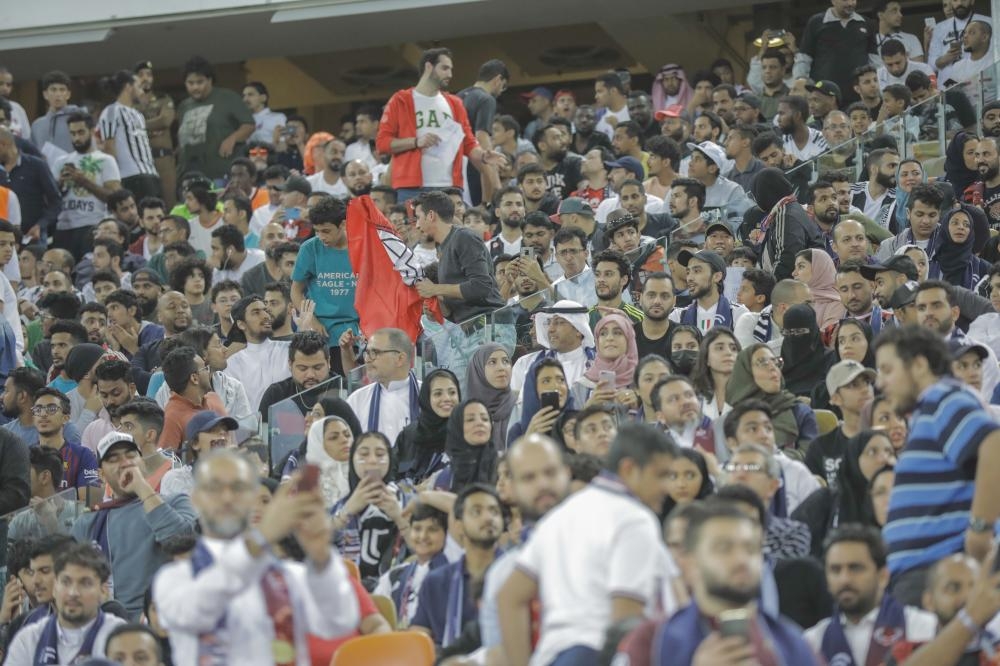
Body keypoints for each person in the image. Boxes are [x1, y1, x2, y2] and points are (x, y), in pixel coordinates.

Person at [153, 449, 360, 664]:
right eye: (214, 488)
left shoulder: (289, 575)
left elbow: (339, 622)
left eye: (238, 488)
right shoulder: (175, 578)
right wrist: (259, 539)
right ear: (195, 499)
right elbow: (198, 611)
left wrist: (321, 556)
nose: (227, 497)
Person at [499, 423, 681, 666]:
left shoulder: (562, 514)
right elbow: (626, 623)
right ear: (629, 469)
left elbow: (509, 597)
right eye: (661, 475)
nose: (667, 487)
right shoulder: (635, 519)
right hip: (600, 656)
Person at [875, 325, 1000, 606]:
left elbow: (994, 445)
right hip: (925, 575)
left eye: (887, 369)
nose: (880, 383)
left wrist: (980, 533)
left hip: (938, 574)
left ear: (919, 365)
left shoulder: (944, 397)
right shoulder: (930, 409)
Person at [637, 501, 819, 665]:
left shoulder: (791, 643)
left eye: (751, 548)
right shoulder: (652, 640)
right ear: (691, 564)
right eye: (724, 548)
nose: (742, 559)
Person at [72, 431, 197, 618]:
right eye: (113, 459)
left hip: (164, 618)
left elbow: (182, 543)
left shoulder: (176, 502)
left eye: (131, 455)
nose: (125, 463)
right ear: (101, 475)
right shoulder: (88, 522)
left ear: (143, 463)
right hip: (109, 625)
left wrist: (141, 487)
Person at [375, 47, 502, 200]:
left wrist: (483, 156)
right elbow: (382, 144)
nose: (450, 74)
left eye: (451, 69)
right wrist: (416, 142)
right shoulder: (400, 100)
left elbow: (468, 143)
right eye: (444, 68)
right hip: (411, 188)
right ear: (428, 67)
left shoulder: (455, 103)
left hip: (450, 188)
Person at [805, 524, 938, 664]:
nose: (845, 579)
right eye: (835, 570)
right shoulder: (812, 642)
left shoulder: (923, 628)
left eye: (855, 568)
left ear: (883, 576)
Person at [412, 483, 502, 649]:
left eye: (494, 511)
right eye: (477, 512)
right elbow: (417, 640)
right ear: (458, 525)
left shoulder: (518, 574)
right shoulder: (435, 582)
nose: (488, 517)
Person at [5, 542, 127, 664]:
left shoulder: (122, 636)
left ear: (103, 590)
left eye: (85, 583)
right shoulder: (28, 640)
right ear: (55, 588)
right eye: (66, 582)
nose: (73, 593)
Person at [794, 430, 897, 557]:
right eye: (872, 452)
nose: (884, 459)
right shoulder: (825, 501)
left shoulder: (904, 502)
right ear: (853, 459)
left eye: (889, 452)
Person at [414, 190, 503, 323]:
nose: (417, 225)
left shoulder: (463, 237)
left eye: (418, 217)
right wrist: (438, 303)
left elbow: (481, 286)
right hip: (470, 329)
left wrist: (435, 289)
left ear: (431, 215)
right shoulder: (444, 246)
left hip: (490, 325)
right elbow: (460, 304)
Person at [289, 196, 358, 359]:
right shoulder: (309, 248)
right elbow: (296, 291)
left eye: (326, 231)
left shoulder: (361, 247)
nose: (321, 236)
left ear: (342, 224)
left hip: (356, 332)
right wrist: (311, 319)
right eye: (317, 231)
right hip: (321, 332)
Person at [51, 112, 122, 260]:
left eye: (81, 132)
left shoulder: (106, 160)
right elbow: (48, 198)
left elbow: (115, 198)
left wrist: (83, 181)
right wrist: (59, 184)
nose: (76, 138)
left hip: (92, 225)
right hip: (64, 226)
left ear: (91, 131)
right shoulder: (60, 161)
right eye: (72, 133)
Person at [175, 56, 254, 181]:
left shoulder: (228, 97)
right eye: (190, 83)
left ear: (210, 80)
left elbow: (249, 125)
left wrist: (232, 138)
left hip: (223, 172)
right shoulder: (183, 106)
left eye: (200, 82)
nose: (195, 87)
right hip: (190, 175)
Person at [345, 327, 419, 444]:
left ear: (400, 359)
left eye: (374, 353)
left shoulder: (428, 394)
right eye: (367, 353)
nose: (367, 359)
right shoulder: (356, 400)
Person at [751, 167, 825, 280]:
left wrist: (770, 289)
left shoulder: (785, 214)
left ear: (762, 193)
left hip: (797, 289)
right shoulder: (790, 208)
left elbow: (787, 259)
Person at [97, 70, 160, 201]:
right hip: (130, 176)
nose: (142, 91)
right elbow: (109, 147)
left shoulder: (138, 114)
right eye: (138, 86)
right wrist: (114, 179)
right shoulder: (112, 111)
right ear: (128, 87)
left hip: (151, 173)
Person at [223, 295, 291, 411]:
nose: (266, 316)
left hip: (289, 424)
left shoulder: (289, 349)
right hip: (251, 427)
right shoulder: (232, 364)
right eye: (256, 312)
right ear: (241, 324)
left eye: (265, 311)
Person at [32, 387, 100, 501]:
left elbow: (92, 501)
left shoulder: (84, 455)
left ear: (66, 418)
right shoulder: (25, 456)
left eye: (52, 409)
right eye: (38, 409)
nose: (43, 414)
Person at [395, 368, 460, 485]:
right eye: (438, 393)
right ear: (426, 398)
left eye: (452, 392)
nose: (446, 398)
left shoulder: (467, 433)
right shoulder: (408, 436)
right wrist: (414, 490)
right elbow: (391, 482)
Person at [158, 346, 227, 450]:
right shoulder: (172, 417)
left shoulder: (214, 398)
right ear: (194, 378)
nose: (209, 372)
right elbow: (168, 462)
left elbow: (231, 440)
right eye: (205, 368)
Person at [780, 303, 833, 398]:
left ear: (813, 331)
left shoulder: (830, 360)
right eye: (787, 332)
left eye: (799, 332)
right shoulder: (777, 364)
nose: (793, 337)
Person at [30, 70, 85, 154]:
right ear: (45, 94)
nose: (58, 94)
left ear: (68, 94)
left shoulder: (79, 119)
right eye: (53, 90)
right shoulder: (37, 125)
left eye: (62, 90)